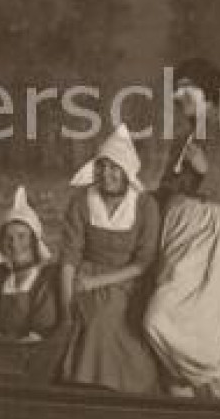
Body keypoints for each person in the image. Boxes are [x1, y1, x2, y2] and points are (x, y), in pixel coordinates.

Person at [143, 59, 220, 400]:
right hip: (175, 230)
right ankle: (186, 389)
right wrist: (136, 198)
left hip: (211, 233)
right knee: (166, 312)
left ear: (208, 94)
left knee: (162, 317)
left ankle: (210, 382)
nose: (179, 95)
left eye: (187, 88)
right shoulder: (181, 139)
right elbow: (168, 188)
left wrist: (206, 171)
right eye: (176, 89)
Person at [58, 123, 163, 393]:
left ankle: (109, 386)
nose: (107, 174)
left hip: (128, 280)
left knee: (105, 317)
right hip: (84, 275)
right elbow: (69, 257)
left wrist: (97, 282)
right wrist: (66, 301)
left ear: (127, 173)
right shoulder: (81, 201)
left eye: (115, 168)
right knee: (68, 316)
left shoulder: (145, 206)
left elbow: (144, 262)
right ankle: (74, 381)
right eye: (102, 167)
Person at [0, 186, 66, 382]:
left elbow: (41, 331)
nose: (14, 243)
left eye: (22, 236)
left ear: (34, 241)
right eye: (8, 238)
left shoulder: (46, 280)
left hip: (32, 359)